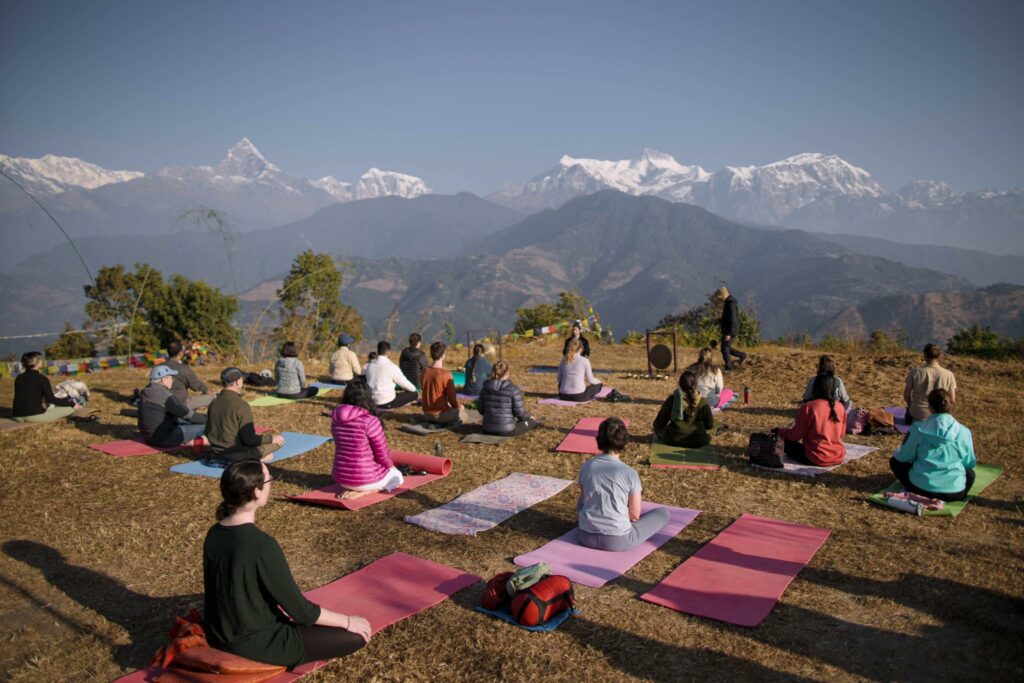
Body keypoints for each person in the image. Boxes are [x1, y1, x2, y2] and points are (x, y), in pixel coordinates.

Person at [204, 460, 371, 668]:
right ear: (257, 492)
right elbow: (301, 612)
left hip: (218, 633)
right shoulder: (262, 546)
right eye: (269, 480)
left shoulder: (214, 533)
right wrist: (347, 621)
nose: (271, 485)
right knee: (357, 637)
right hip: (257, 642)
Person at [576, 418, 670, 552]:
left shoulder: (586, 466)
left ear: (599, 439)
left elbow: (585, 499)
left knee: (581, 500)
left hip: (585, 536)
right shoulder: (629, 473)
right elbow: (634, 515)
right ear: (624, 441)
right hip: (618, 540)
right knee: (663, 513)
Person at [890, 389, 976, 502]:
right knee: (970, 474)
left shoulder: (919, 428)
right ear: (951, 405)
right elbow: (969, 463)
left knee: (895, 462)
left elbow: (904, 457)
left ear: (929, 407)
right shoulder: (964, 431)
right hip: (954, 493)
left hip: (920, 488)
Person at [330, 381, 404, 500]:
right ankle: (367, 491)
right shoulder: (370, 421)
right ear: (367, 397)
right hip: (364, 480)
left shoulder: (336, 419)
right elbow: (382, 453)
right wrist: (391, 467)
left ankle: (356, 488)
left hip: (340, 478)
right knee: (398, 477)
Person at [206, 367, 284, 463]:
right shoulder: (242, 405)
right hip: (236, 454)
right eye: (241, 379)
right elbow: (249, 439)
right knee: (278, 442)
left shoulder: (213, 403)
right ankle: (253, 460)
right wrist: (271, 438)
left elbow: (207, 432)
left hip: (215, 453)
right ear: (237, 382)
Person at [774, 374, 847, 466]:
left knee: (783, 442)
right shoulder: (840, 407)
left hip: (815, 457)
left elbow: (794, 436)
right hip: (838, 456)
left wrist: (780, 432)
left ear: (815, 388)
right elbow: (841, 434)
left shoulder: (809, 407)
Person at [138, 365, 207, 447]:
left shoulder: (145, 391)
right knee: (207, 427)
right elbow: (186, 414)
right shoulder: (164, 395)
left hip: (148, 438)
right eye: (171, 377)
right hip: (165, 439)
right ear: (163, 379)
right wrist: (208, 419)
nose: (173, 380)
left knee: (183, 421)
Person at [11, 351, 84, 422]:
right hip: (34, 417)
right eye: (41, 360)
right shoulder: (42, 379)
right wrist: (72, 404)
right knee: (70, 408)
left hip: (17, 416)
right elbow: (51, 399)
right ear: (37, 362)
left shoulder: (19, 378)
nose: (42, 361)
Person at [653, 370, 715, 447]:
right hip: (697, 441)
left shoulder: (672, 399)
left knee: (659, 430)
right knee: (707, 436)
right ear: (695, 385)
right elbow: (710, 425)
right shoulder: (702, 401)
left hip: (673, 439)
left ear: (680, 384)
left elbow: (659, 422)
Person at [478, 361, 537, 436]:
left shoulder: (485, 388)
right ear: (507, 373)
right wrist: (529, 416)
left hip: (486, 429)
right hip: (507, 431)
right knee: (531, 422)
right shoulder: (513, 389)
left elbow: (480, 409)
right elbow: (520, 413)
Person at [904, 343, 957, 424]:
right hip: (939, 417)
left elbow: (907, 395)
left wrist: (911, 406)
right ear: (940, 356)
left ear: (924, 355)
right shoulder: (949, 374)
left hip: (917, 414)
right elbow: (952, 399)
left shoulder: (915, 372)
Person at [421, 341, 465, 424]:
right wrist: (458, 407)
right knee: (462, 412)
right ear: (443, 355)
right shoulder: (446, 374)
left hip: (426, 414)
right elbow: (453, 399)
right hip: (440, 415)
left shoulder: (424, 372)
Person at [365, 341, 418, 409]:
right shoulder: (391, 367)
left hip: (372, 401)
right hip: (386, 402)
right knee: (414, 394)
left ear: (378, 351)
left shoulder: (369, 366)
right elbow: (410, 387)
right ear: (388, 352)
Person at [164, 341, 215, 411]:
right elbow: (196, 384)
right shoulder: (182, 368)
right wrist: (206, 390)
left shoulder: (157, 368)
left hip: (161, 403)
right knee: (212, 398)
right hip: (180, 404)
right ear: (180, 353)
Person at [717, 286, 747, 371]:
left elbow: (733, 319)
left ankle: (729, 368)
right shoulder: (728, 302)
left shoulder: (731, 303)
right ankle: (742, 356)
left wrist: (729, 333)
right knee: (726, 347)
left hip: (730, 330)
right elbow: (728, 317)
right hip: (729, 329)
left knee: (725, 348)